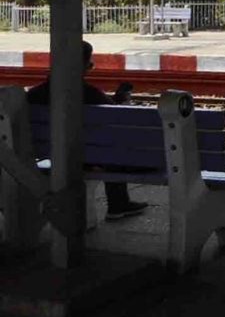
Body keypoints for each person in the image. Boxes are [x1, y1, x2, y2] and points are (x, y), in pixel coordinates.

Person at [26, 41, 148, 221]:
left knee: (104, 146)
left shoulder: (32, 95)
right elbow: (114, 117)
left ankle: (119, 203)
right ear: (83, 66)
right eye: (89, 64)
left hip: (47, 153)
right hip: (86, 156)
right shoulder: (90, 94)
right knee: (112, 148)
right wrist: (121, 99)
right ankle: (118, 203)